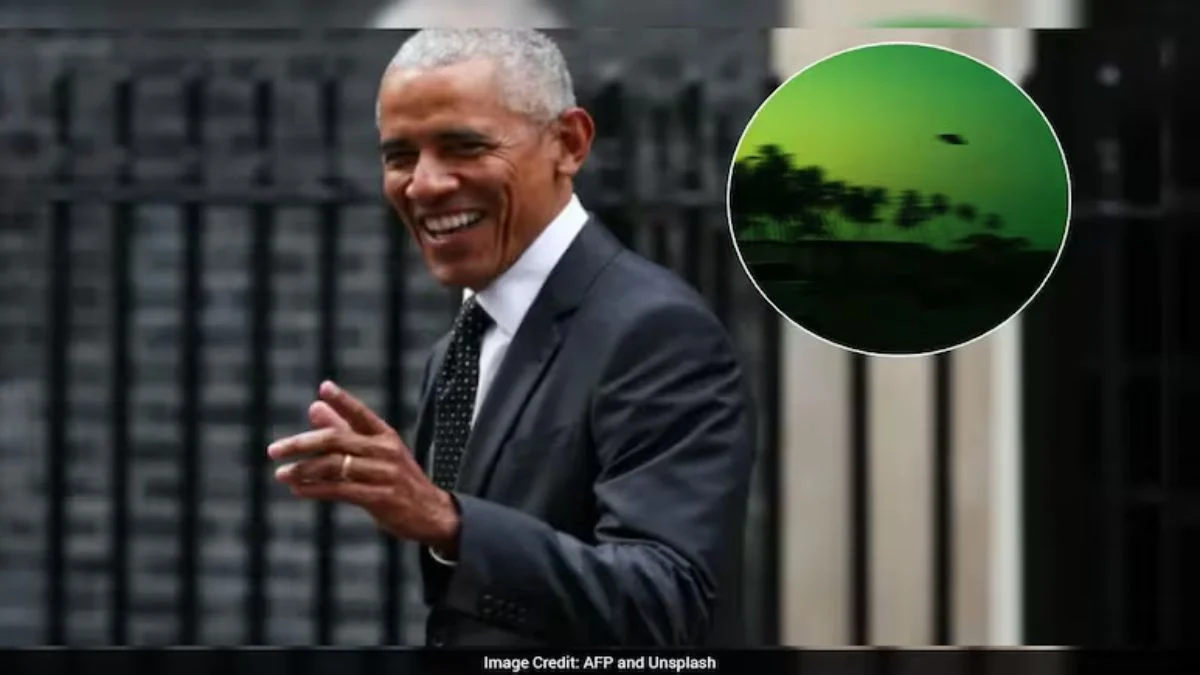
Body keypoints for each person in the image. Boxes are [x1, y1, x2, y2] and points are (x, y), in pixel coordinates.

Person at [267, 28, 755, 647]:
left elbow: (668, 602)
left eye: (463, 146)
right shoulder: (462, 345)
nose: (425, 183)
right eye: (399, 156)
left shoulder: (654, 330)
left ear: (569, 143)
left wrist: (449, 522)